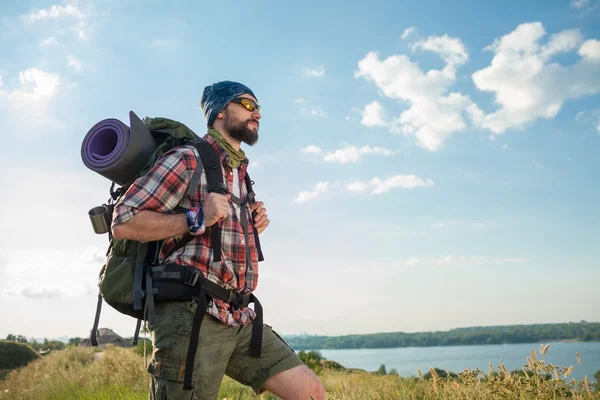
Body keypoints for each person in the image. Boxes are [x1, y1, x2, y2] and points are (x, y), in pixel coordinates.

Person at [110, 80, 325, 400]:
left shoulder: (239, 173)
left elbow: (216, 233)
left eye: (259, 108)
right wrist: (195, 218)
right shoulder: (188, 159)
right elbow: (124, 221)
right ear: (221, 111)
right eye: (249, 105)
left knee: (309, 391)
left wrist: (252, 226)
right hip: (191, 314)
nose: (258, 115)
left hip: (239, 314)